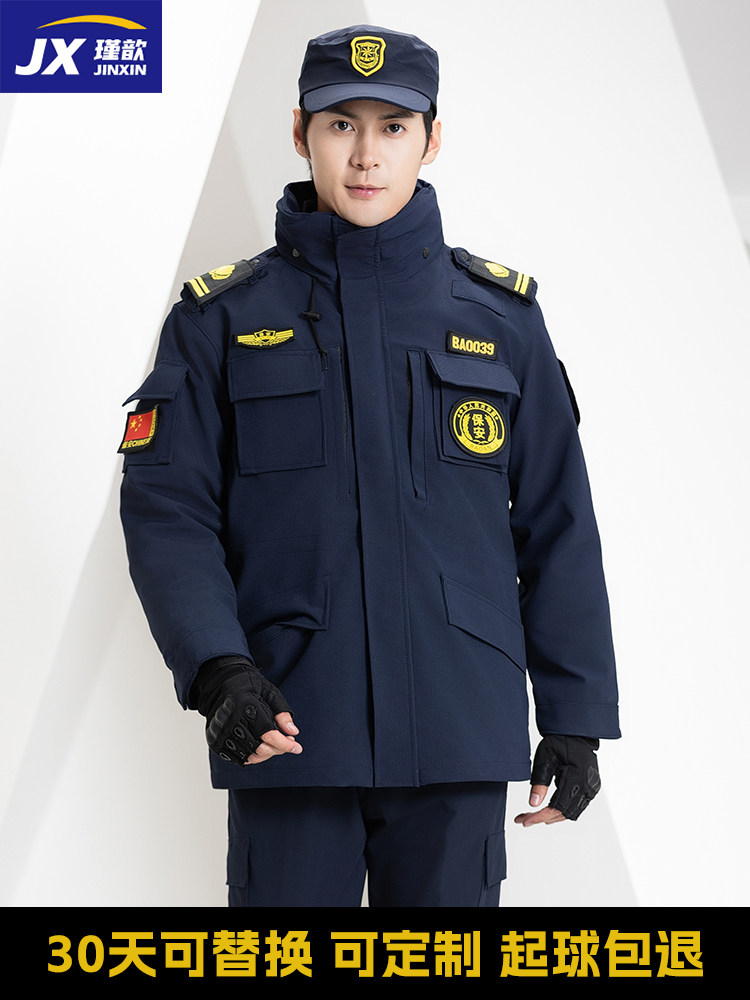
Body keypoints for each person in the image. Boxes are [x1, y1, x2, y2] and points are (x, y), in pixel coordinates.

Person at [119, 24, 620, 907]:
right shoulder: (218, 321)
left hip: (458, 729)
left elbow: (557, 523)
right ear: (300, 132)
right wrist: (218, 670)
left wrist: (575, 717)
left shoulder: (502, 321)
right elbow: (170, 514)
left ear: (433, 138)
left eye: (393, 126)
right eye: (340, 124)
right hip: (287, 723)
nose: (365, 154)